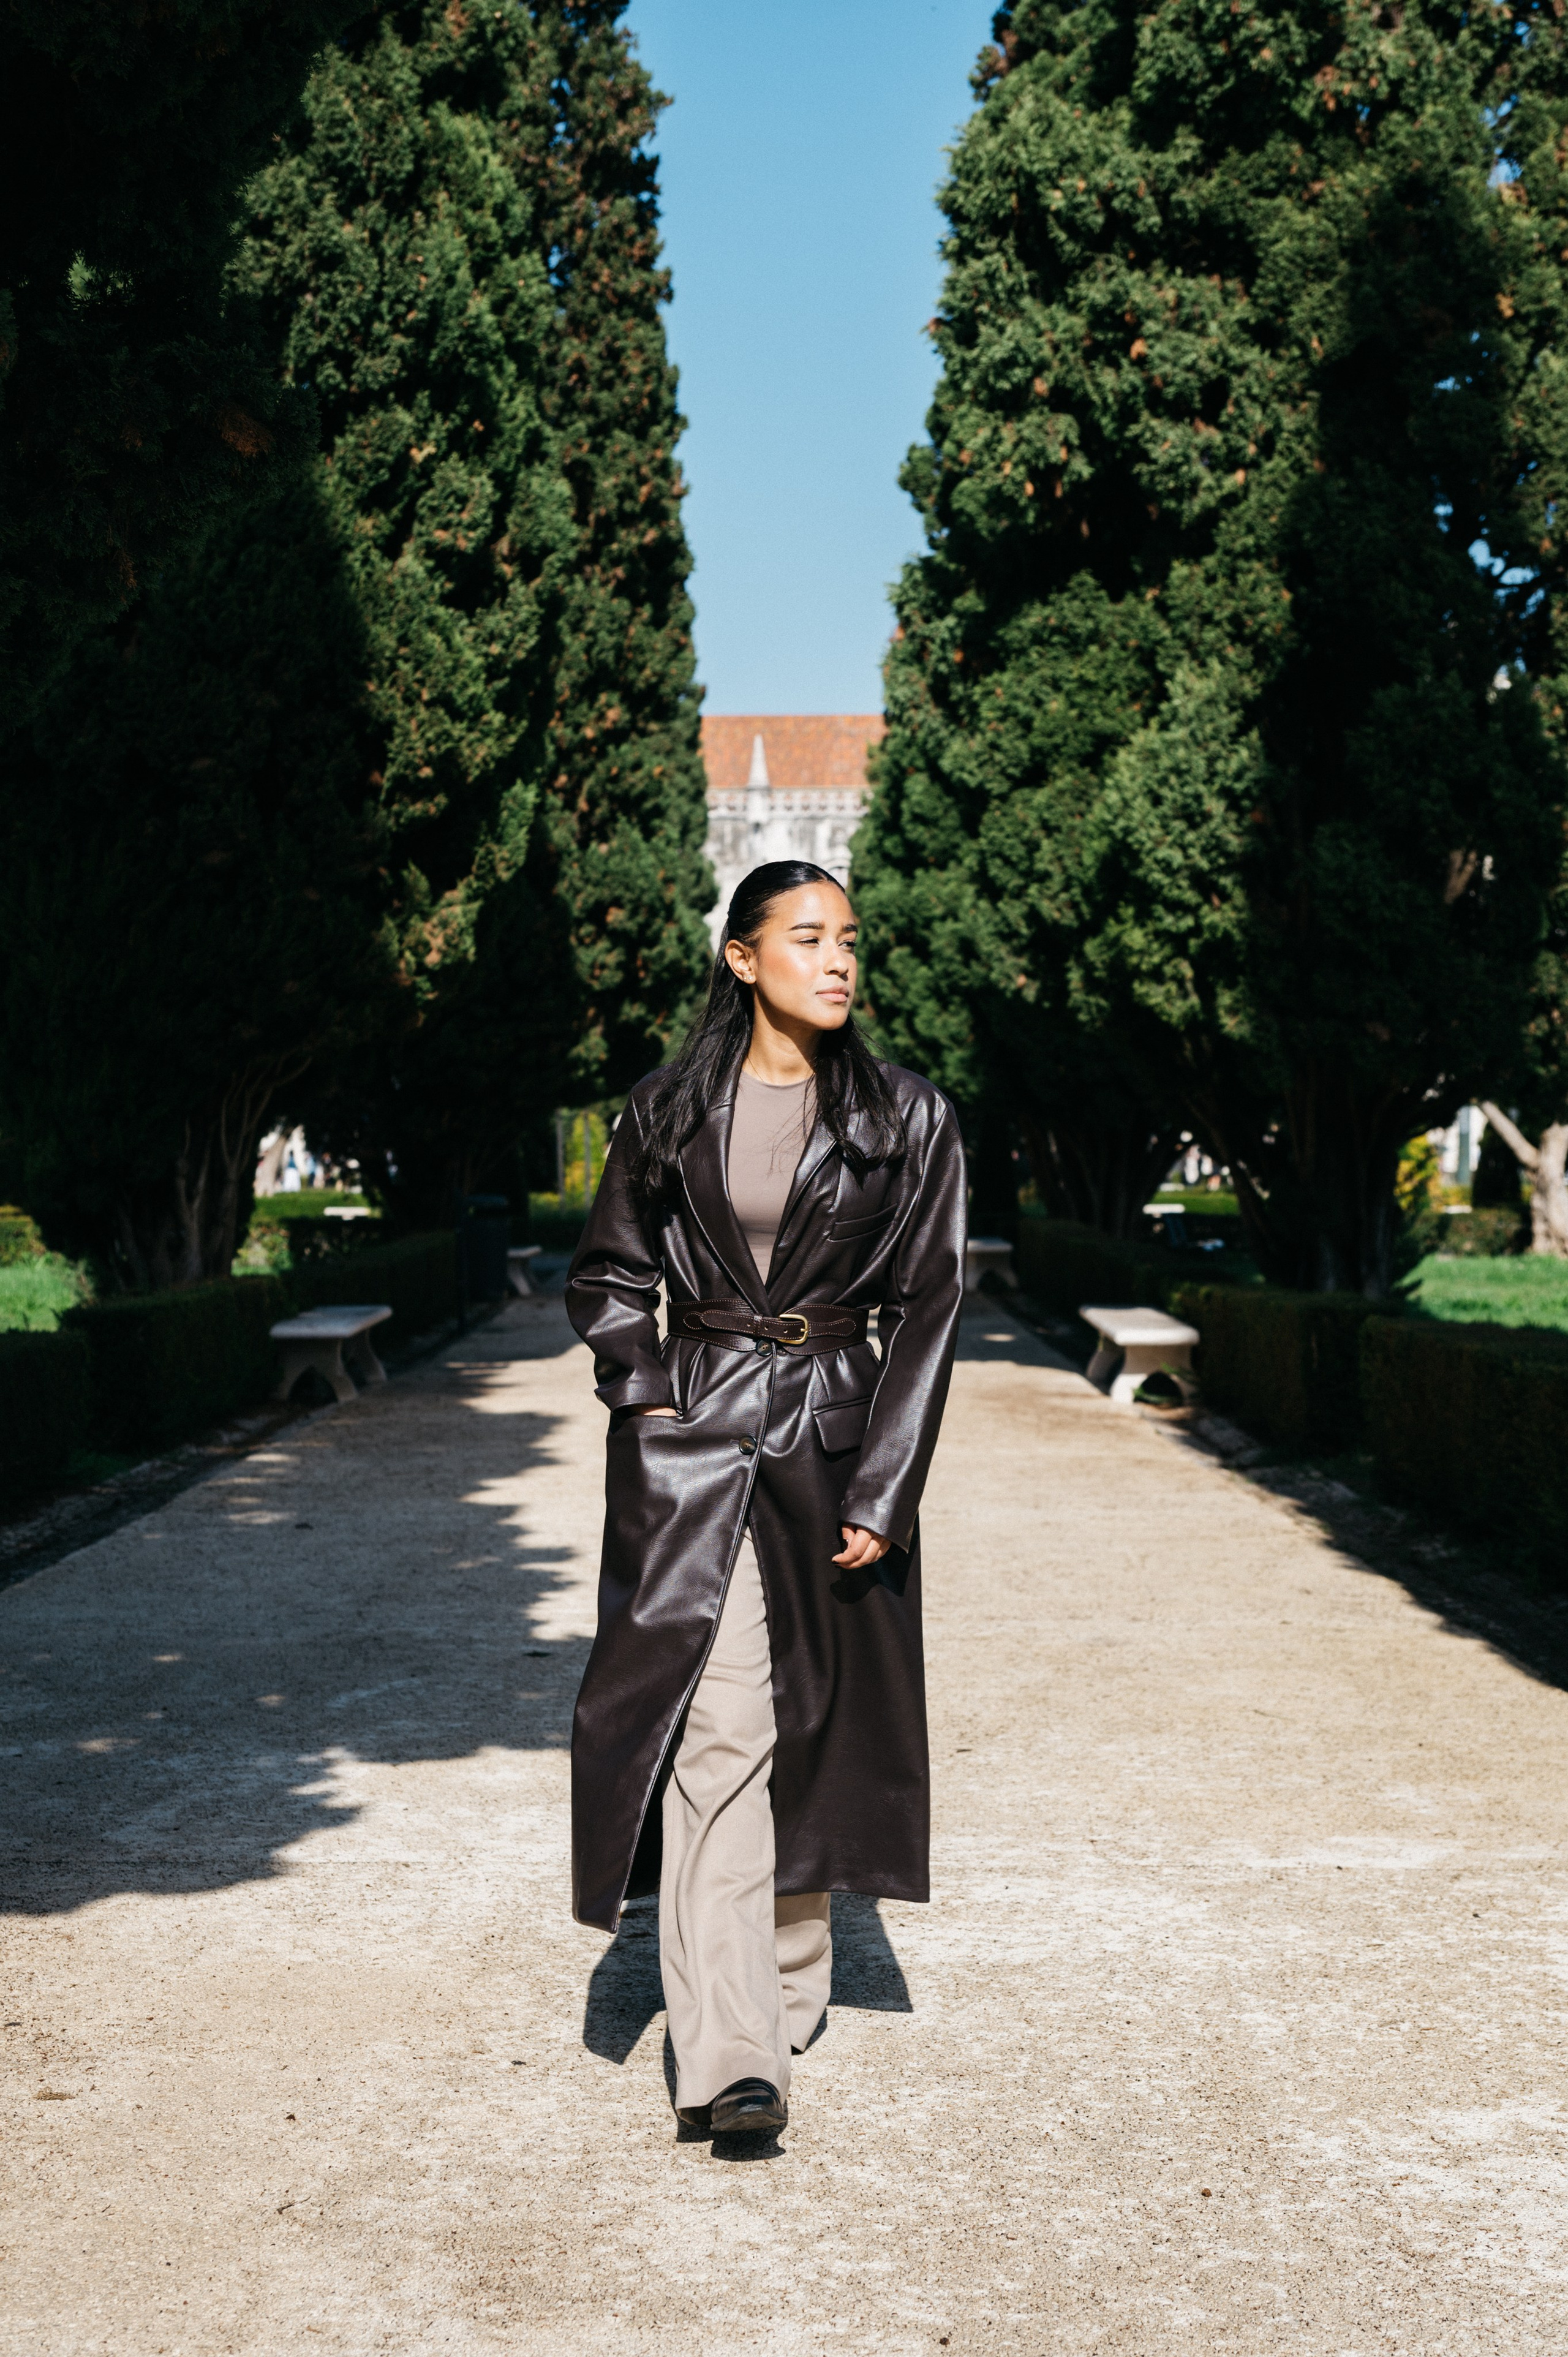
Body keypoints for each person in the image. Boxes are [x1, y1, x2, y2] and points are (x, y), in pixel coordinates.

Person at [565, 860, 965, 2138]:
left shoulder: (909, 1117)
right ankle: (732, 2052)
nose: (837, 959)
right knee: (719, 1727)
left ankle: (785, 1972)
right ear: (741, 958)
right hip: (691, 1449)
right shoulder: (664, 1107)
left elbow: (929, 1306)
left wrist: (889, 1481)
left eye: (849, 938)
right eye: (807, 937)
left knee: (815, 1727)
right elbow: (610, 1277)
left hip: (835, 1446)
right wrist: (645, 1397)